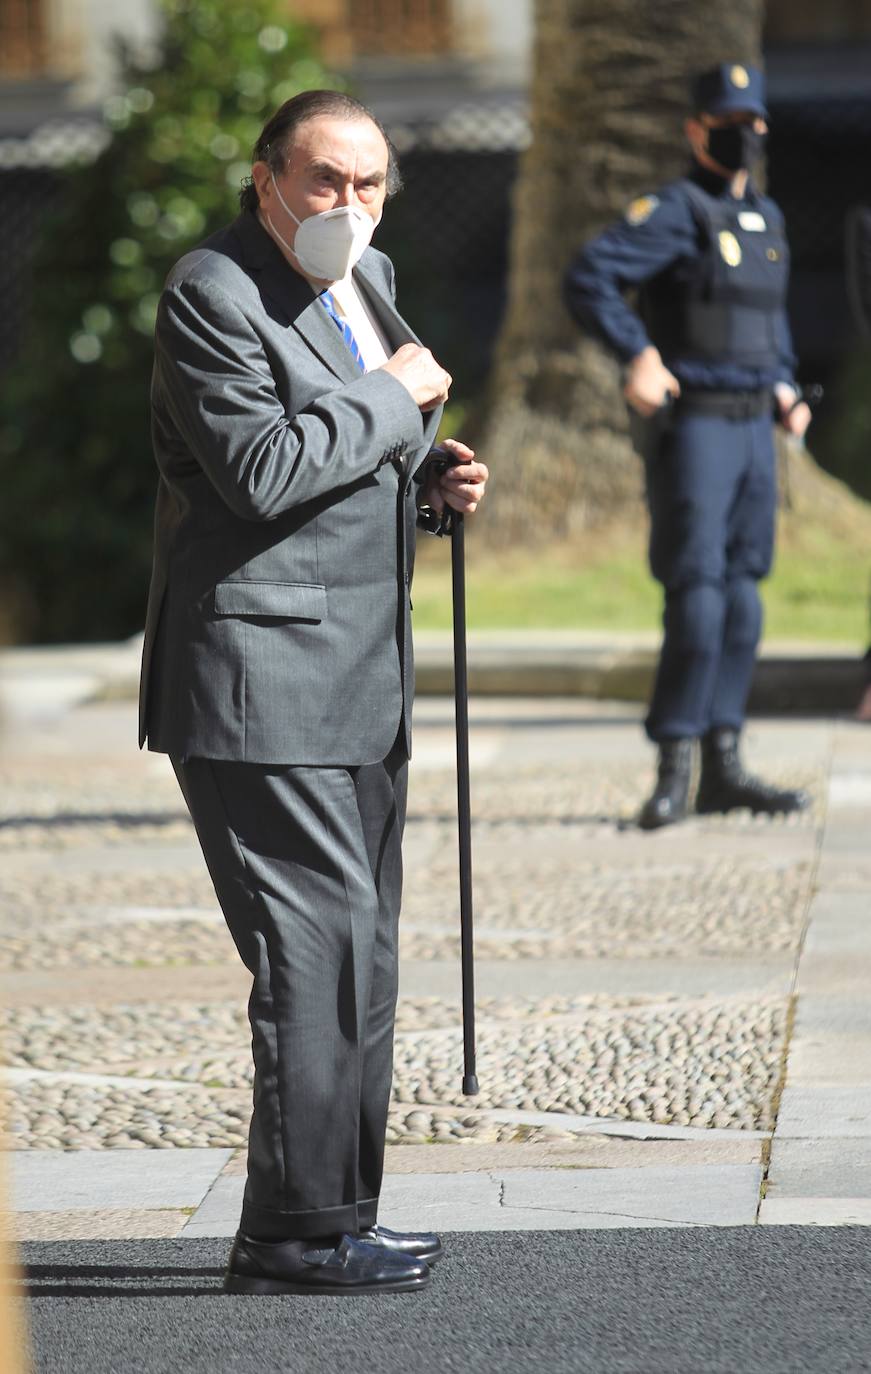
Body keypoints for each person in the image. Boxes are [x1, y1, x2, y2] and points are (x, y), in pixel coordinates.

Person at [138, 89, 488, 1295]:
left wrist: (431, 478)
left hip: (361, 674)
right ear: (267, 179)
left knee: (361, 958)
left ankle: (336, 1214)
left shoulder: (368, 274)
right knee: (310, 949)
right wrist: (398, 396)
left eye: (372, 181)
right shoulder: (213, 292)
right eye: (327, 180)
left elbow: (356, 449)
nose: (352, 204)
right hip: (256, 676)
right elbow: (260, 468)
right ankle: (287, 1234)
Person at [564, 62, 811, 829]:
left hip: (752, 431)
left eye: (752, 124)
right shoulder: (674, 211)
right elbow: (590, 278)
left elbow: (771, 325)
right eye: (727, 124)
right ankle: (674, 764)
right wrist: (639, 355)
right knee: (698, 596)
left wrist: (786, 384)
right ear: (696, 130)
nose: (743, 137)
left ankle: (724, 764)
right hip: (697, 424)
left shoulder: (764, 219)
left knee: (743, 598)